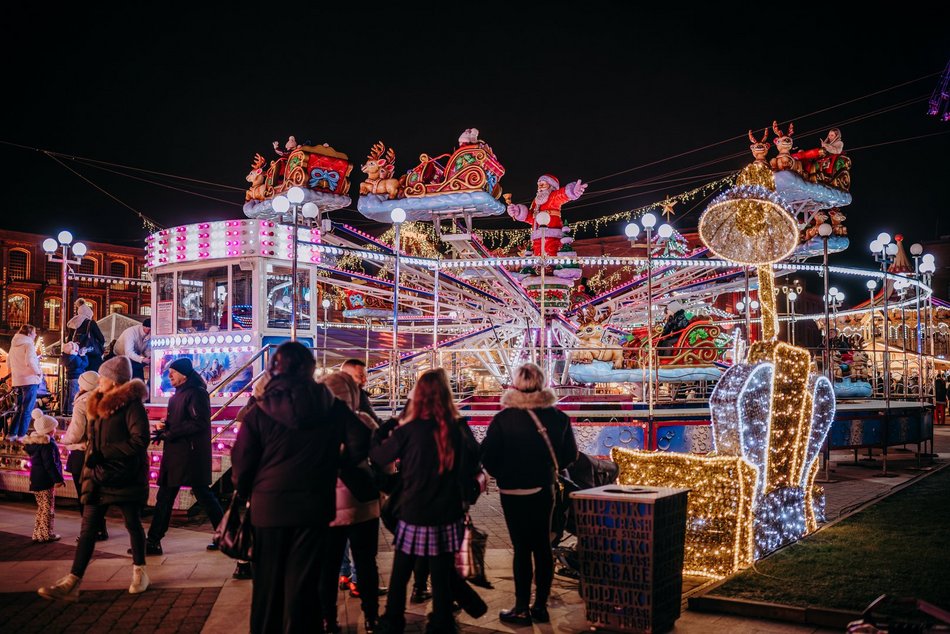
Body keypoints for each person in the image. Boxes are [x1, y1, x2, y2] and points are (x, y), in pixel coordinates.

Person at [231, 341, 356, 634]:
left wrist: (250, 491)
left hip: (269, 508)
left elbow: (241, 465)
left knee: (267, 586)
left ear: (275, 368)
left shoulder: (259, 412)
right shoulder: (331, 407)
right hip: (314, 504)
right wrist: (334, 464)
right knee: (305, 584)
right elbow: (359, 444)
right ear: (310, 368)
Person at [370, 368, 486, 634]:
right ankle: (442, 622)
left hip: (414, 509)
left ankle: (392, 620)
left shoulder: (410, 429)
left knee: (401, 572)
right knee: (442, 572)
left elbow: (379, 455)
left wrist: (387, 426)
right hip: (448, 511)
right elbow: (474, 462)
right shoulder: (458, 428)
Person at [37, 356, 150, 602]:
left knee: (133, 523)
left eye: (103, 376)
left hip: (125, 475)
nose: (99, 380)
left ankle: (140, 570)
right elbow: (93, 439)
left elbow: (140, 441)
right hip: (98, 475)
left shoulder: (132, 406)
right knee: (88, 529)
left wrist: (103, 453)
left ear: (114, 380)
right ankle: (73, 579)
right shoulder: (96, 404)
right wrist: (90, 455)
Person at [481, 363, 579, 626]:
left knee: (521, 549)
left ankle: (521, 608)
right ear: (542, 382)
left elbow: (487, 457)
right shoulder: (558, 418)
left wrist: (503, 473)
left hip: (511, 490)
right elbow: (571, 454)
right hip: (543, 488)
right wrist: (549, 467)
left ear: (515, 383)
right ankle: (540, 606)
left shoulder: (503, 419)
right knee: (542, 547)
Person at [318, 370, 384, 634]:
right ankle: (371, 617)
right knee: (366, 562)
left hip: (327, 505)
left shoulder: (315, 423)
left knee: (328, 566)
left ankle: (329, 619)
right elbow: (384, 459)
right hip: (363, 504)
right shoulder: (364, 420)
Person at [143, 357, 223, 554]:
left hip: (189, 454)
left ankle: (225, 535)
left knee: (200, 495)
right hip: (178, 453)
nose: (169, 375)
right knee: (169, 497)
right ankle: (153, 541)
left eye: (174, 372)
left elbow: (199, 422)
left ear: (185, 375)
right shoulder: (179, 394)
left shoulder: (196, 393)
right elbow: (185, 420)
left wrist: (171, 432)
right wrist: (166, 428)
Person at [62, 370, 108, 541]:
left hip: (83, 453)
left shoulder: (82, 403)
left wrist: (67, 441)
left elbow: (75, 432)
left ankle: (89, 531)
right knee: (96, 493)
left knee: (84, 494)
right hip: (101, 452)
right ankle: (100, 528)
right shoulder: (105, 399)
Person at [506, 174, 588, 258]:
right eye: (538, 185)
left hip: (552, 235)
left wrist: (573, 190)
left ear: (551, 186)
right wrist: (518, 212)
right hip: (537, 237)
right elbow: (532, 218)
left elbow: (562, 195)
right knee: (538, 259)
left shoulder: (553, 196)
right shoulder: (536, 202)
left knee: (550, 257)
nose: (540, 187)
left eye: (543, 184)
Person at [24, 408, 65, 543]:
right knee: (48, 509)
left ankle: (38, 533)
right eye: (53, 428)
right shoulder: (48, 444)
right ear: (49, 430)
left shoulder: (34, 444)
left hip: (35, 480)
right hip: (45, 481)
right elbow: (50, 464)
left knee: (41, 508)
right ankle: (46, 534)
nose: (55, 430)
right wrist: (58, 479)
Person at [9, 324, 44, 442]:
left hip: (18, 380)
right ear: (29, 334)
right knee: (27, 408)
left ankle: (12, 433)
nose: (35, 335)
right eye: (34, 332)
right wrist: (38, 372)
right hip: (29, 380)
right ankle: (22, 435)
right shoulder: (29, 345)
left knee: (19, 408)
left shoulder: (14, 345)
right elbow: (29, 361)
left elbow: (9, 362)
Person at [69, 303, 106, 372]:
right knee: (93, 377)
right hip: (92, 356)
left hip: (78, 356)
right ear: (89, 314)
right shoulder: (91, 323)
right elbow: (101, 338)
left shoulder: (73, 324)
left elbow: (69, 341)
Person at [61, 342, 88, 415]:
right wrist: (83, 356)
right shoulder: (75, 358)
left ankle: (65, 410)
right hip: (76, 377)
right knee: (73, 394)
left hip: (70, 377)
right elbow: (84, 364)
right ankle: (71, 411)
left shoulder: (65, 357)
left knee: (68, 395)